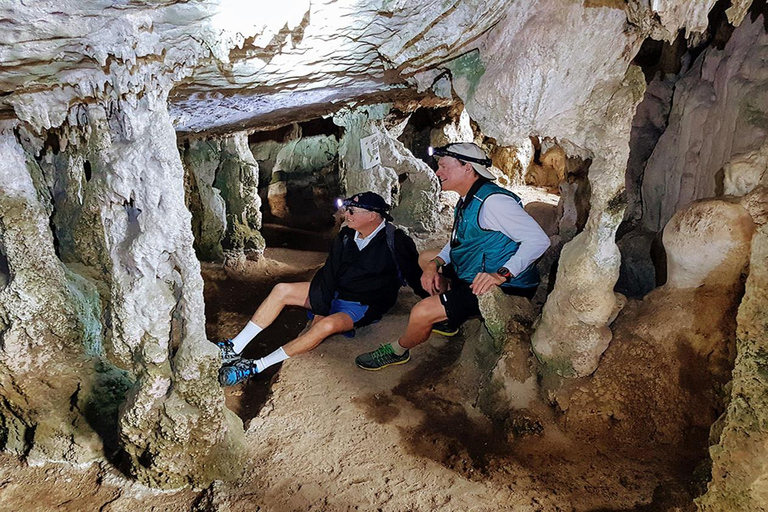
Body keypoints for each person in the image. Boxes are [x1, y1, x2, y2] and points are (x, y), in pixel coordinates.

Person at [355, 142, 551, 371]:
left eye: (444, 166)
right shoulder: (469, 197)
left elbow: (538, 240)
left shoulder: (493, 203)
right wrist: (434, 265)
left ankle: (398, 351)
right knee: (426, 258)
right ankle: (450, 319)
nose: (438, 172)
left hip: (505, 285)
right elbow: (459, 241)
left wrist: (502, 275)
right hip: (475, 271)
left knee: (421, 312)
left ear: (467, 168)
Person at [217, 191, 427, 386]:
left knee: (325, 327)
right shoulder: (345, 236)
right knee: (281, 290)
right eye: (346, 209)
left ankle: (255, 366)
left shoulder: (396, 242)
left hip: (361, 304)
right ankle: (235, 347)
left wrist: (430, 299)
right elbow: (329, 273)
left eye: (352, 211)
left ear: (372, 216)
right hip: (335, 291)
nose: (346, 214)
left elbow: (414, 275)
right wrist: (321, 306)